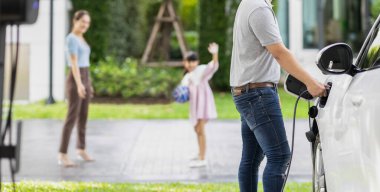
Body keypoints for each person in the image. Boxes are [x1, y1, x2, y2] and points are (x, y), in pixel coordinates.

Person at [230, 0, 326, 191]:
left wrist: (272, 90)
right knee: (279, 156)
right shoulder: (258, 7)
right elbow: (279, 53)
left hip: (249, 91)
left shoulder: (249, 4)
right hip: (256, 94)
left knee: (251, 158)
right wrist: (311, 83)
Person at [58, 10, 94, 167]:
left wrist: (88, 83)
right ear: (75, 21)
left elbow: (85, 61)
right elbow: (74, 63)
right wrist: (79, 84)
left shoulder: (81, 37)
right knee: (71, 117)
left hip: (85, 76)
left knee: (84, 116)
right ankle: (62, 154)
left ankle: (81, 148)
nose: (85, 25)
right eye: (82, 22)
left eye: (87, 23)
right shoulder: (71, 39)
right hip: (75, 78)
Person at [181, 43, 219, 168]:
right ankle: (199, 153)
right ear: (185, 63)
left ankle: (202, 159)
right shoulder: (187, 77)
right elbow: (184, 92)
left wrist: (214, 53)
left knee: (201, 130)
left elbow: (212, 66)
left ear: (197, 62)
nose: (191, 64)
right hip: (195, 107)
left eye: (193, 61)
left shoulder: (201, 71)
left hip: (203, 105)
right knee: (196, 129)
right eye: (188, 61)